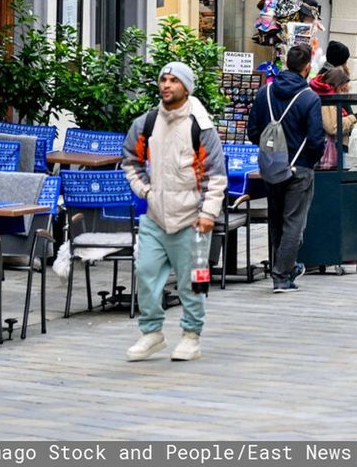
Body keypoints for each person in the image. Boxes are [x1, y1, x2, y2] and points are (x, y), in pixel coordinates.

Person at [122, 62, 227, 362]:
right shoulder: (147, 122)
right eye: (163, 80)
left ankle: (191, 336)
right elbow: (130, 159)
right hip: (155, 217)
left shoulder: (201, 127)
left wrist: (208, 213)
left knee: (193, 281)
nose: (166, 85)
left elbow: (215, 175)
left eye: (173, 81)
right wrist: (145, 191)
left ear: (186, 87)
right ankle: (151, 333)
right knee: (145, 273)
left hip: (193, 220)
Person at [246, 42, 325, 293]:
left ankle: (282, 269)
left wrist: (270, 152)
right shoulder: (309, 98)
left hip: (272, 168)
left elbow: (253, 132)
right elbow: (315, 139)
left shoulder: (264, 93)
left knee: (277, 220)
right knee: (293, 222)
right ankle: (282, 275)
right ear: (307, 68)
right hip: (299, 168)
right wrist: (311, 160)